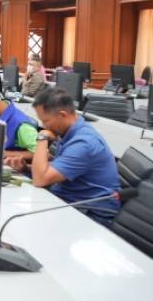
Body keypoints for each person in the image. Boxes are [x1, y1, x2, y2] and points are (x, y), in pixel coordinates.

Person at [8, 87, 120, 225]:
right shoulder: (70, 132)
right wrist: (26, 168)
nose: (44, 126)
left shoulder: (83, 143)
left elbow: (40, 179)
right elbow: (54, 170)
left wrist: (42, 137)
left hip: (90, 213)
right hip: (69, 200)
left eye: (46, 121)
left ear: (62, 115)